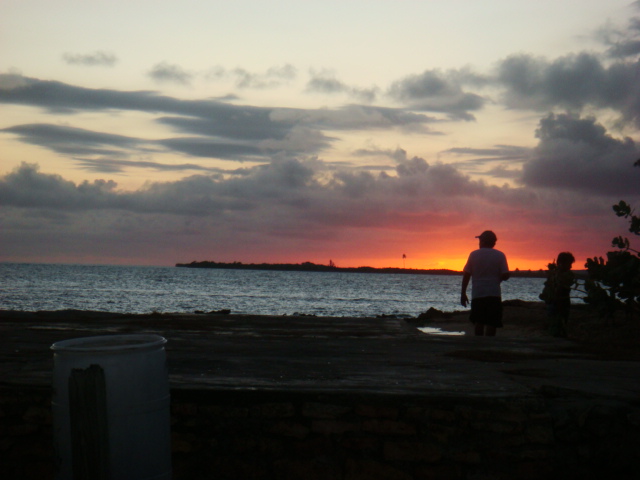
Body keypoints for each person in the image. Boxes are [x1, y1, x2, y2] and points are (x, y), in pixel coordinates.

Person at [460, 230, 510, 336]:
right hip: (494, 294)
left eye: (480, 240)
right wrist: (498, 280)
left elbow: (467, 275)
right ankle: (489, 346)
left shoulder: (473, 255)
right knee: (492, 322)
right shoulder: (500, 255)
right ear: (494, 242)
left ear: (482, 241)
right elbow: (505, 275)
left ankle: (479, 345)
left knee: (479, 322)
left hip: (478, 294)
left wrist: (463, 293)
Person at [539, 252, 575, 337]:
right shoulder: (555, 275)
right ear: (562, 263)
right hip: (556, 301)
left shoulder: (564, 274)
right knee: (555, 322)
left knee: (561, 322)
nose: (570, 266)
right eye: (569, 264)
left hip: (562, 301)